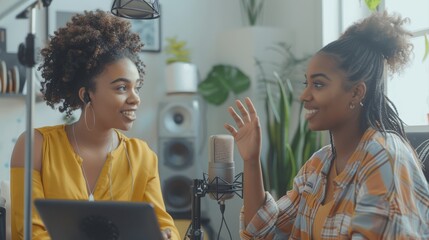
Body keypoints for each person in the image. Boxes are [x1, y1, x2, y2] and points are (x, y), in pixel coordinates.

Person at [225, 11, 429, 239]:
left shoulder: (384, 155)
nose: (304, 95)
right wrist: (251, 161)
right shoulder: (318, 165)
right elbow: (263, 233)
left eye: (318, 84)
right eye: (307, 83)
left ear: (355, 93)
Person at [10, 10, 179, 240]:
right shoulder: (36, 146)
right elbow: (29, 233)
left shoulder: (142, 156)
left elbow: (166, 227)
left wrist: (166, 235)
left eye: (136, 87)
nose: (135, 98)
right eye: (121, 87)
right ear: (86, 95)